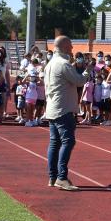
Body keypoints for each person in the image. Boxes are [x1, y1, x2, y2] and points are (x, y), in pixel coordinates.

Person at [43, 36, 85, 191]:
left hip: (53, 108)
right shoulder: (63, 64)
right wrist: (87, 71)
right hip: (64, 108)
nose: (72, 49)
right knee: (68, 141)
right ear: (65, 47)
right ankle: (61, 177)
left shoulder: (50, 64)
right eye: (71, 46)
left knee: (55, 143)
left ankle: (53, 177)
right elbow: (79, 81)